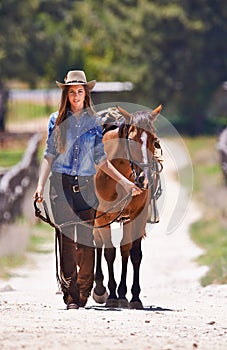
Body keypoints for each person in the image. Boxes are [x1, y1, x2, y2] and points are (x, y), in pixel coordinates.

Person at [33, 70, 142, 310]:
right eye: (72, 92)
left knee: (86, 242)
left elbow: (100, 160)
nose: (76, 96)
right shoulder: (56, 120)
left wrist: (125, 182)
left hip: (85, 185)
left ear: (86, 94)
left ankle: (84, 292)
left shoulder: (94, 122)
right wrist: (40, 185)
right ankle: (71, 296)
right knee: (67, 241)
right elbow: (49, 155)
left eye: (80, 91)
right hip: (60, 185)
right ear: (66, 95)